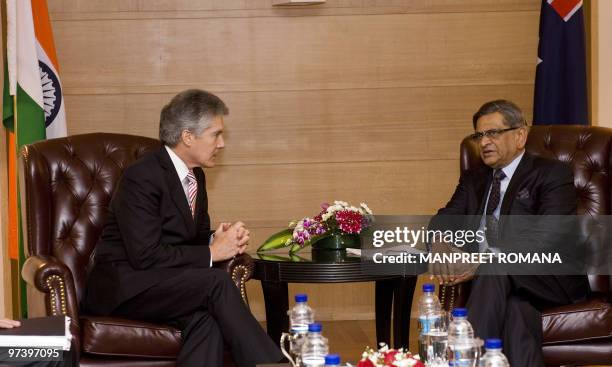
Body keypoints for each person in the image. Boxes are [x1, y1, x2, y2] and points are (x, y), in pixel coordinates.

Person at [83, 89, 282, 367]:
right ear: (188, 137)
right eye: (216, 134)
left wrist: (217, 237)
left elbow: (192, 238)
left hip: (165, 285)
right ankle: (272, 364)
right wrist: (213, 252)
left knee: (206, 322)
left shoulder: (195, 176)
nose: (222, 143)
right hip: (126, 289)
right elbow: (145, 256)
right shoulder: (142, 177)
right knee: (216, 283)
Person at [432, 100, 588, 366]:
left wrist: (484, 261)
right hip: (498, 286)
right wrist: (439, 242)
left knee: (495, 267)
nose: (484, 142)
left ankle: (464, 361)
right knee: (517, 311)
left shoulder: (550, 173)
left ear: (520, 136)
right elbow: (445, 218)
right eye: (479, 135)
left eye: (493, 133)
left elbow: (549, 236)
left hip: (545, 275)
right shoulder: (474, 178)